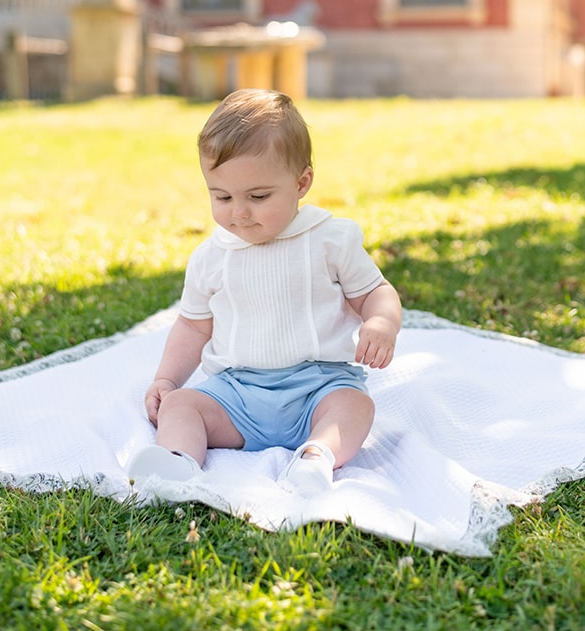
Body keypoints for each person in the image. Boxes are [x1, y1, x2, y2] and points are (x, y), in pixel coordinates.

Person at [128, 90, 402, 496]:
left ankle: (316, 458)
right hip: (236, 393)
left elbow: (376, 291)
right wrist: (167, 378)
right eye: (221, 197)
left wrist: (381, 322)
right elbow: (192, 327)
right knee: (181, 406)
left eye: (258, 197)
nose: (238, 212)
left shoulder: (329, 239)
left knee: (355, 407)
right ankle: (176, 464)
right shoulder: (211, 256)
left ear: (301, 182)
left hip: (318, 385)